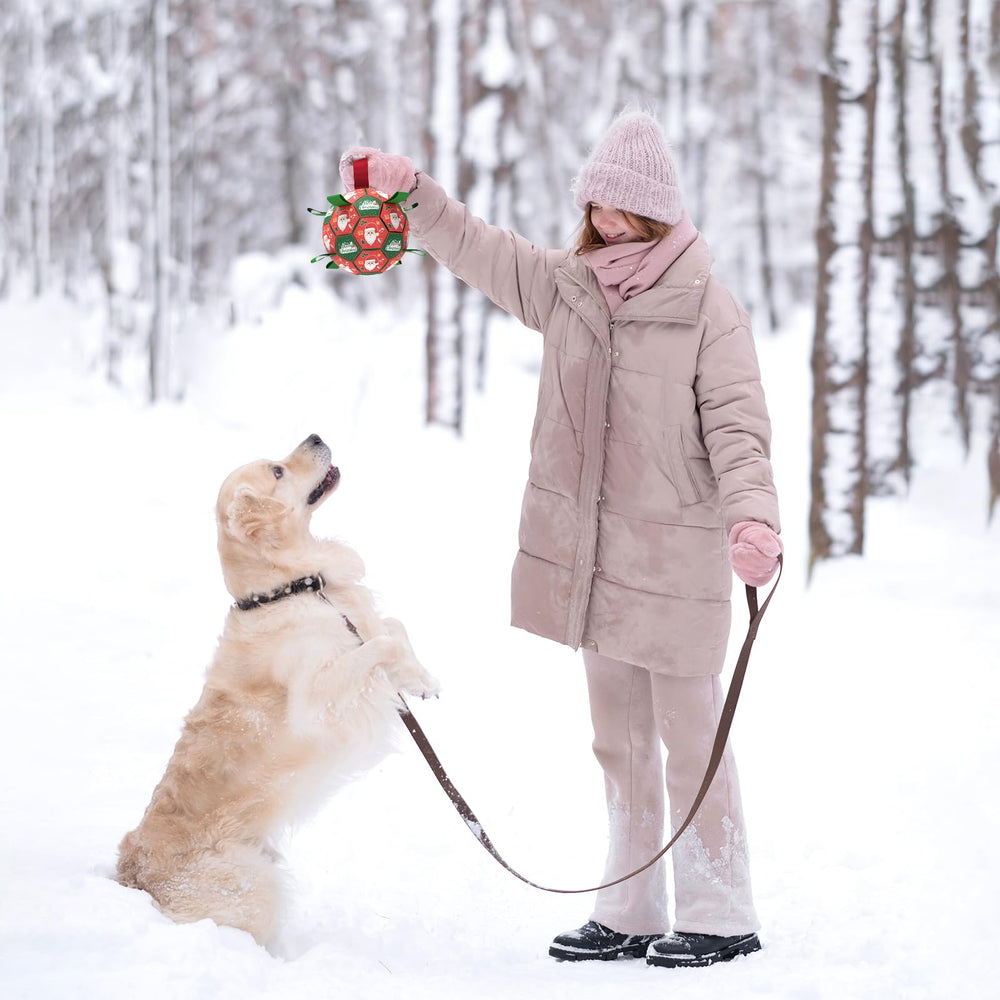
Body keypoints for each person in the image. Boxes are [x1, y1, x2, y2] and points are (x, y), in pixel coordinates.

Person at [339, 108, 781, 970]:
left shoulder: (707, 310)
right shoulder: (568, 287)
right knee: (616, 741)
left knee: (692, 735)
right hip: (594, 558)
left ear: (657, 212)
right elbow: (477, 247)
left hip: (676, 552)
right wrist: (412, 193)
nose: (607, 224)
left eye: (624, 211)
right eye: (598, 208)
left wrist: (753, 517)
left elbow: (738, 427)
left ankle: (722, 911)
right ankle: (629, 907)